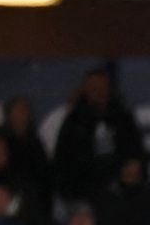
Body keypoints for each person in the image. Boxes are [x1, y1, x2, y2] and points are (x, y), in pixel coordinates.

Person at [52, 67, 144, 203]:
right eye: (93, 87)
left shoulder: (123, 117)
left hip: (120, 193)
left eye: (102, 86)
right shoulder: (74, 121)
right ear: (85, 89)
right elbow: (62, 161)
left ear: (108, 88)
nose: (98, 91)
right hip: (84, 195)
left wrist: (134, 168)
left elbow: (137, 152)